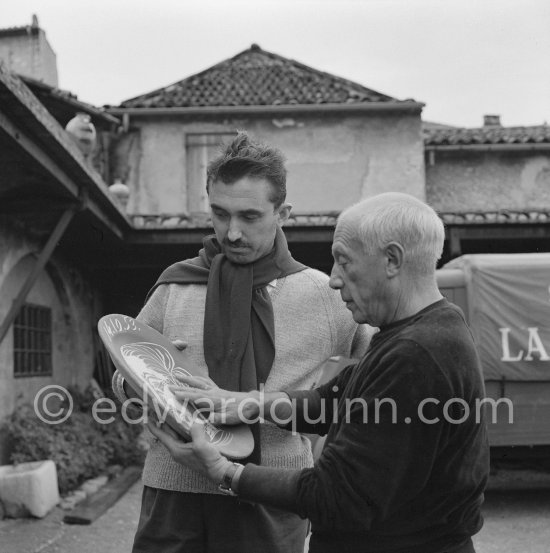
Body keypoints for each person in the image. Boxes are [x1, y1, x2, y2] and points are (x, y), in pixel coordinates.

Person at [149, 192, 491, 553]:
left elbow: (337, 495)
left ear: (392, 259)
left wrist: (223, 471)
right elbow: (332, 400)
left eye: (344, 262)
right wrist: (249, 403)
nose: (334, 280)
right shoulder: (424, 328)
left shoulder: (415, 354)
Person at [112, 131, 372, 553]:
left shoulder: (325, 295)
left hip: (271, 494)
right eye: (219, 213)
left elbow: (380, 373)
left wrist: (328, 446)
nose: (231, 232)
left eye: (250, 216)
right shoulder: (175, 286)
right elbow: (121, 374)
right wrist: (145, 384)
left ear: (283, 212)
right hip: (173, 490)